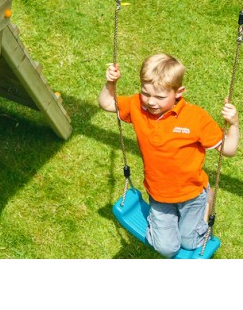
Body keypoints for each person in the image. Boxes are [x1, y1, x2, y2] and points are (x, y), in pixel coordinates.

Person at [98, 53, 239, 257]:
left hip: (192, 194)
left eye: (160, 97)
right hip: (159, 195)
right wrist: (110, 83)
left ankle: (207, 198)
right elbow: (106, 103)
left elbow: (229, 149)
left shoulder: (195, 118)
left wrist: (233, 124)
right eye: (146, 93)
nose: (151, 102)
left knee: (191, 243)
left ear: (178, 92)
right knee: (166, 248)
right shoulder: (137, 105)